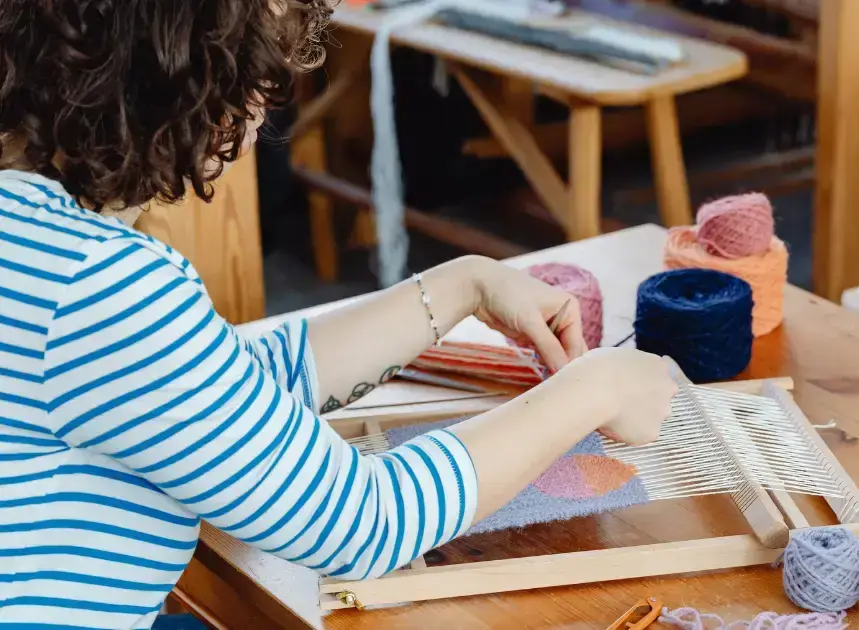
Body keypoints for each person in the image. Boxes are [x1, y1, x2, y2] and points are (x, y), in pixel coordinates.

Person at [0, 1, 677, 628]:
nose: (259, 118)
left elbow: (212, 385)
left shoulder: (38, 243)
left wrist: (463, 285)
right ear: (175, 81)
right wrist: (596, 389)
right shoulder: (97, 285)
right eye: (254, 80)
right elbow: (362, 522)